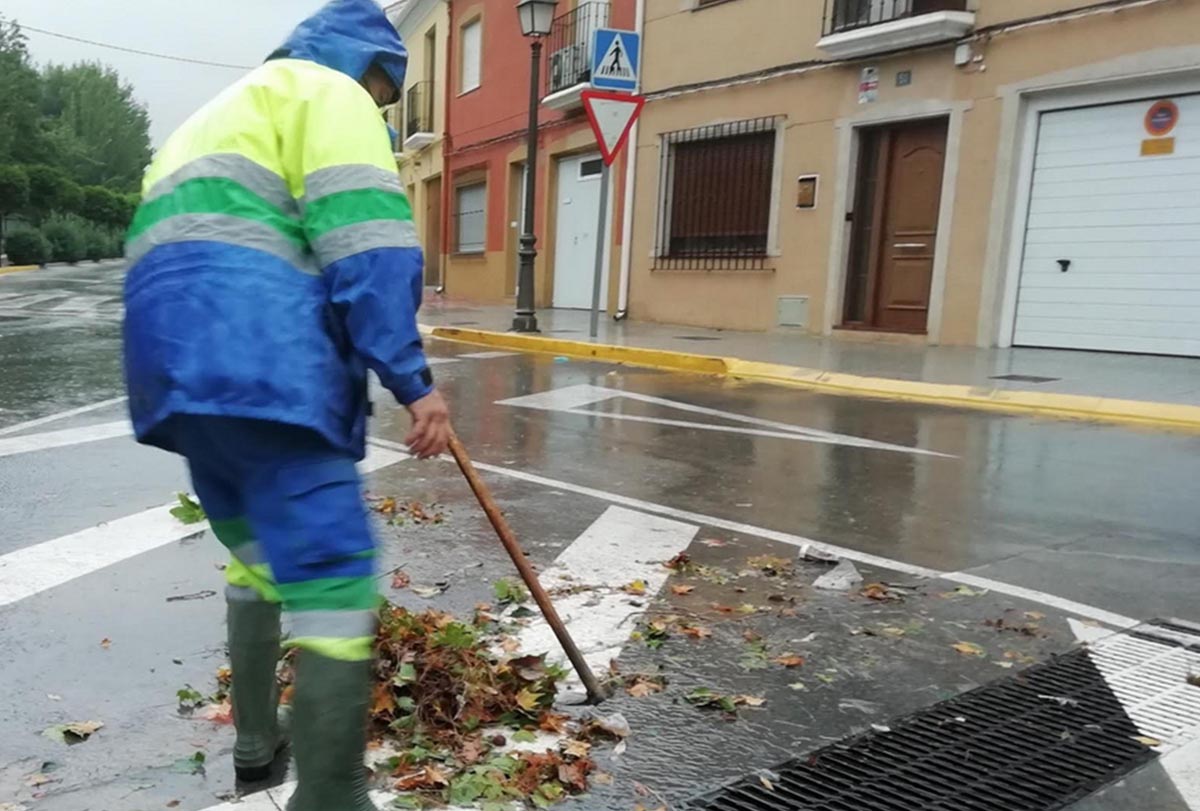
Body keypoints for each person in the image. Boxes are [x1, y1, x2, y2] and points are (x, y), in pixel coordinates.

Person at [121, 1, 448, 808]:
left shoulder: (203, 122)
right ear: (368, 68)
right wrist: (414, 381)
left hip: (177, 382)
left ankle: (256, 744)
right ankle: (331, 795)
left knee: (261, 560)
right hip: (268, 365)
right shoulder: (328, 97)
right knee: (335, 575)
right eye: (383, 91)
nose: (379, 108)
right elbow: (366, 240)